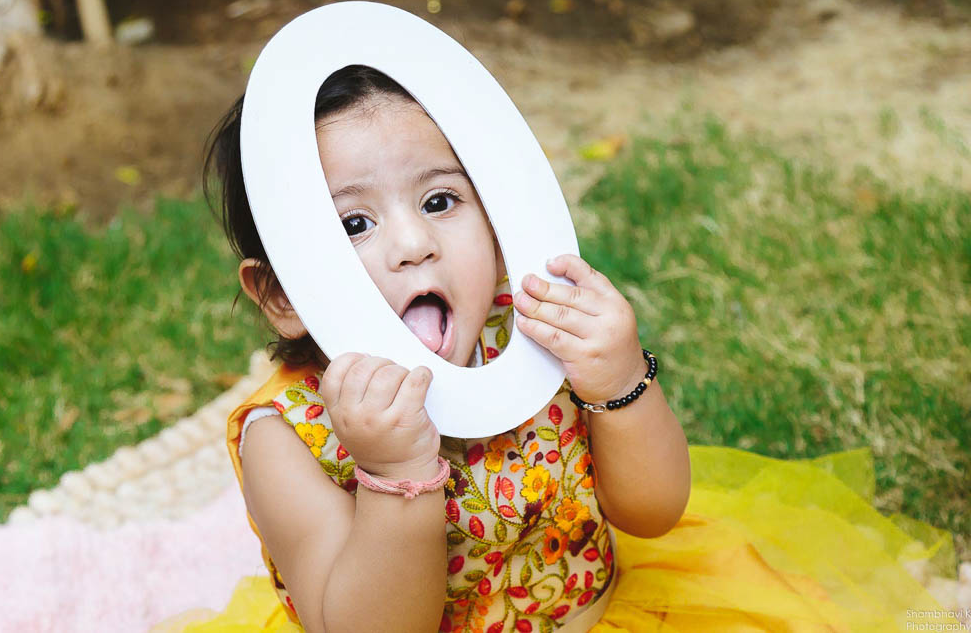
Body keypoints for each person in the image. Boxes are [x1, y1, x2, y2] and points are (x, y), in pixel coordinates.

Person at [153, 65, 960, 633]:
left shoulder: (531, 338)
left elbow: (652, 510)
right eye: (352, 223)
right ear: (282, 294)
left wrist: (618, 381)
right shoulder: (285, 436)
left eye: (441, 200)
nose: (412, 244)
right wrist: (394, 473)